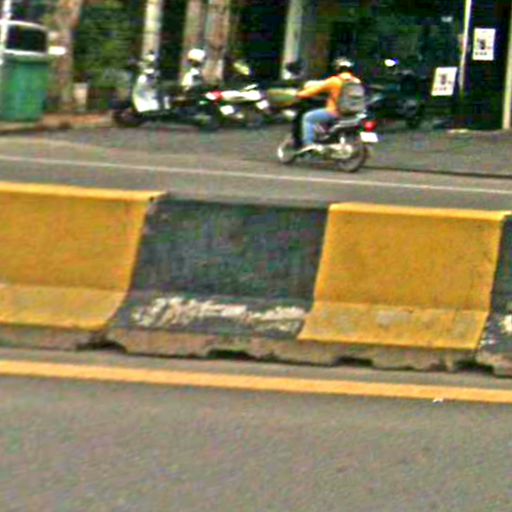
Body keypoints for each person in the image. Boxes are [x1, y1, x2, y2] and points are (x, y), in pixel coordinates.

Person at [296, 56, 362, 151]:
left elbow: (312, 91)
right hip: (352, 113)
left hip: (335, 112)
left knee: (308, 118)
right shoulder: (356, 81)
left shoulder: (334, 81)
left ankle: (309, 145)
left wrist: (299, 94)